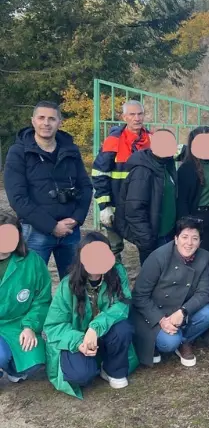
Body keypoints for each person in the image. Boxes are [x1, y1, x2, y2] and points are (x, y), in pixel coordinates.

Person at [3, 101, 92, 277]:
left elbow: (86, 186)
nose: (46, 123)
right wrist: (51, 226)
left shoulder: (70, 150)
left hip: (70, 230)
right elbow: (17, 198)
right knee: (30, 284)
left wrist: (77, 218)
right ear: (33, 121)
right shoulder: (18, 152)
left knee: (74, 284)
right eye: (41, 118)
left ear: (60, 122)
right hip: (35, 231)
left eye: (52, 118)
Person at [43, 232, 137, 396]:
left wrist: (95, 328)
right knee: (81, 376)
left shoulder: (117, 272)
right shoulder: (68, 284)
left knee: (123, 328)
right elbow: (53, 326)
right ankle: (93, 362)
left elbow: (123, 304)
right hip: (79, 338)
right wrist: (80, 341)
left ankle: (112, 369)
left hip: (105, 332)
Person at [130, 216, 209, 368]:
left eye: (194, 238)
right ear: (176, 239)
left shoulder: (203, 257)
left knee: (208, 313)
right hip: (154, 313)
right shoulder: (158, 257)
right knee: (169, 342)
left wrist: (183, 311)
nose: (189, 243)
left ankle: (184, 341)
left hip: (180, 311)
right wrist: (161, 320)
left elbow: (204, 292)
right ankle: (163, 341)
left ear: (200, 242)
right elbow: (139, 296)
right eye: (184, 237)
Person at [90, 100, 149, 260]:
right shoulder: (114, 140)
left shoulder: (151, 139)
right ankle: (111, 283)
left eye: (140, 114)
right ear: (124, 117)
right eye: (132, 114)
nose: (137, 118)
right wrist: (104, 207)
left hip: (142, 207)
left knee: (147, 245)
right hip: (116, 207)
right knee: (113, 249)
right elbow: (99, 174)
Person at [0, 211, 51, 383]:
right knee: (1, 355)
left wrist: (29, 326)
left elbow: (42, 299)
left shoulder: (33, 261)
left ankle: (13, 369)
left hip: (19, 324)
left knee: (35, 361)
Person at [116, 128, 179, 266]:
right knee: (154, 280)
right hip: (153, 238)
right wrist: (147, 240)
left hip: (168, 233)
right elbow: (134, 210)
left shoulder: (167, 165)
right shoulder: (142, 171)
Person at [175, 127, 209, 263]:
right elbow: (182, 200)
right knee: (203, 255)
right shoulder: (187, 168)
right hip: (200, 216)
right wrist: (187, 224)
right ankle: (202, 283)